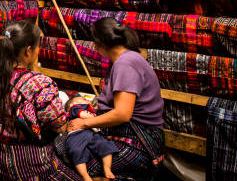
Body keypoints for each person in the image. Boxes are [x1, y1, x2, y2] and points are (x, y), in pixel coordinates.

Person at [0, 20, 82, 181]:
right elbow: (60, 126)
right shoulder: (39, 83)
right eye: (38, 46)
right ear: (28, 51)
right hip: (30, 169)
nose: (39, 51)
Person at [68, 18, 165, 181]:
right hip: (134, 133)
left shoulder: (125, 64)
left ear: (99, 44)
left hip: (138, 141)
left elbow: (122, 114)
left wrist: (84, 123)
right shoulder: (127, 59)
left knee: (68, 151)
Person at [64, 96, 118, 181]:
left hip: (93, 133)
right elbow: (84, 116)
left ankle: (107, 169)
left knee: (105, 144)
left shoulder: (93, 111)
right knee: (76, 151)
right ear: (72, 104)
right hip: (77, 134)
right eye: (83, 99)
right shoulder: (75, 108)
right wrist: (98, 119)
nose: (87, 100)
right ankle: (85, 176)